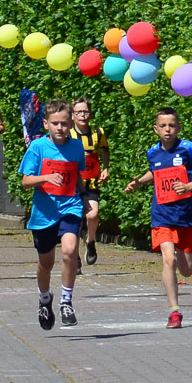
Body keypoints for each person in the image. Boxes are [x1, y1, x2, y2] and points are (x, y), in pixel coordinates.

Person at [122, 107, 192, 329]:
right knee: (168, 259)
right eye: (163, 126)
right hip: (162, 214)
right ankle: (174, 311)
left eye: (172, 125)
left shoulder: (188, 148)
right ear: (156, 129)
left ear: (179, 127)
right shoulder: (153, 152)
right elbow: (155, 172)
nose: (167, 130)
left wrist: (189, 187)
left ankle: (182, 254)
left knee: (187, 270)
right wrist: (139, 183)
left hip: (187, 215)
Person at [21, 99, 88, 329]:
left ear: (71, 123)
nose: (60, 128)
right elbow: (25, 181)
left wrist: (85, 197)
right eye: (55, 123)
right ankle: (44, 299)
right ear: (46, 124)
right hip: (44, 213)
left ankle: (66, 302)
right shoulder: (38, 147)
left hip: (70, 207)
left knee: (69, 251)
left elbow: (76, 176)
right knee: (45, 264)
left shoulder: (76, 147)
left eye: (64, 123)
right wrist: (45, 178)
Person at [72, 98, 107, 266]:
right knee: (75, 220)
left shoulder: (98, 133)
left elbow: (105, 149)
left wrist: (106, 168)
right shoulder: (67, 134)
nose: (82, 115)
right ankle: (75, 258)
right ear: (72, 115)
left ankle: (90, 241)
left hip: (91, 182)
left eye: (85, 112)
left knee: (92, 214)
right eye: (79, 112)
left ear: (90, 114)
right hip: (73, 183)